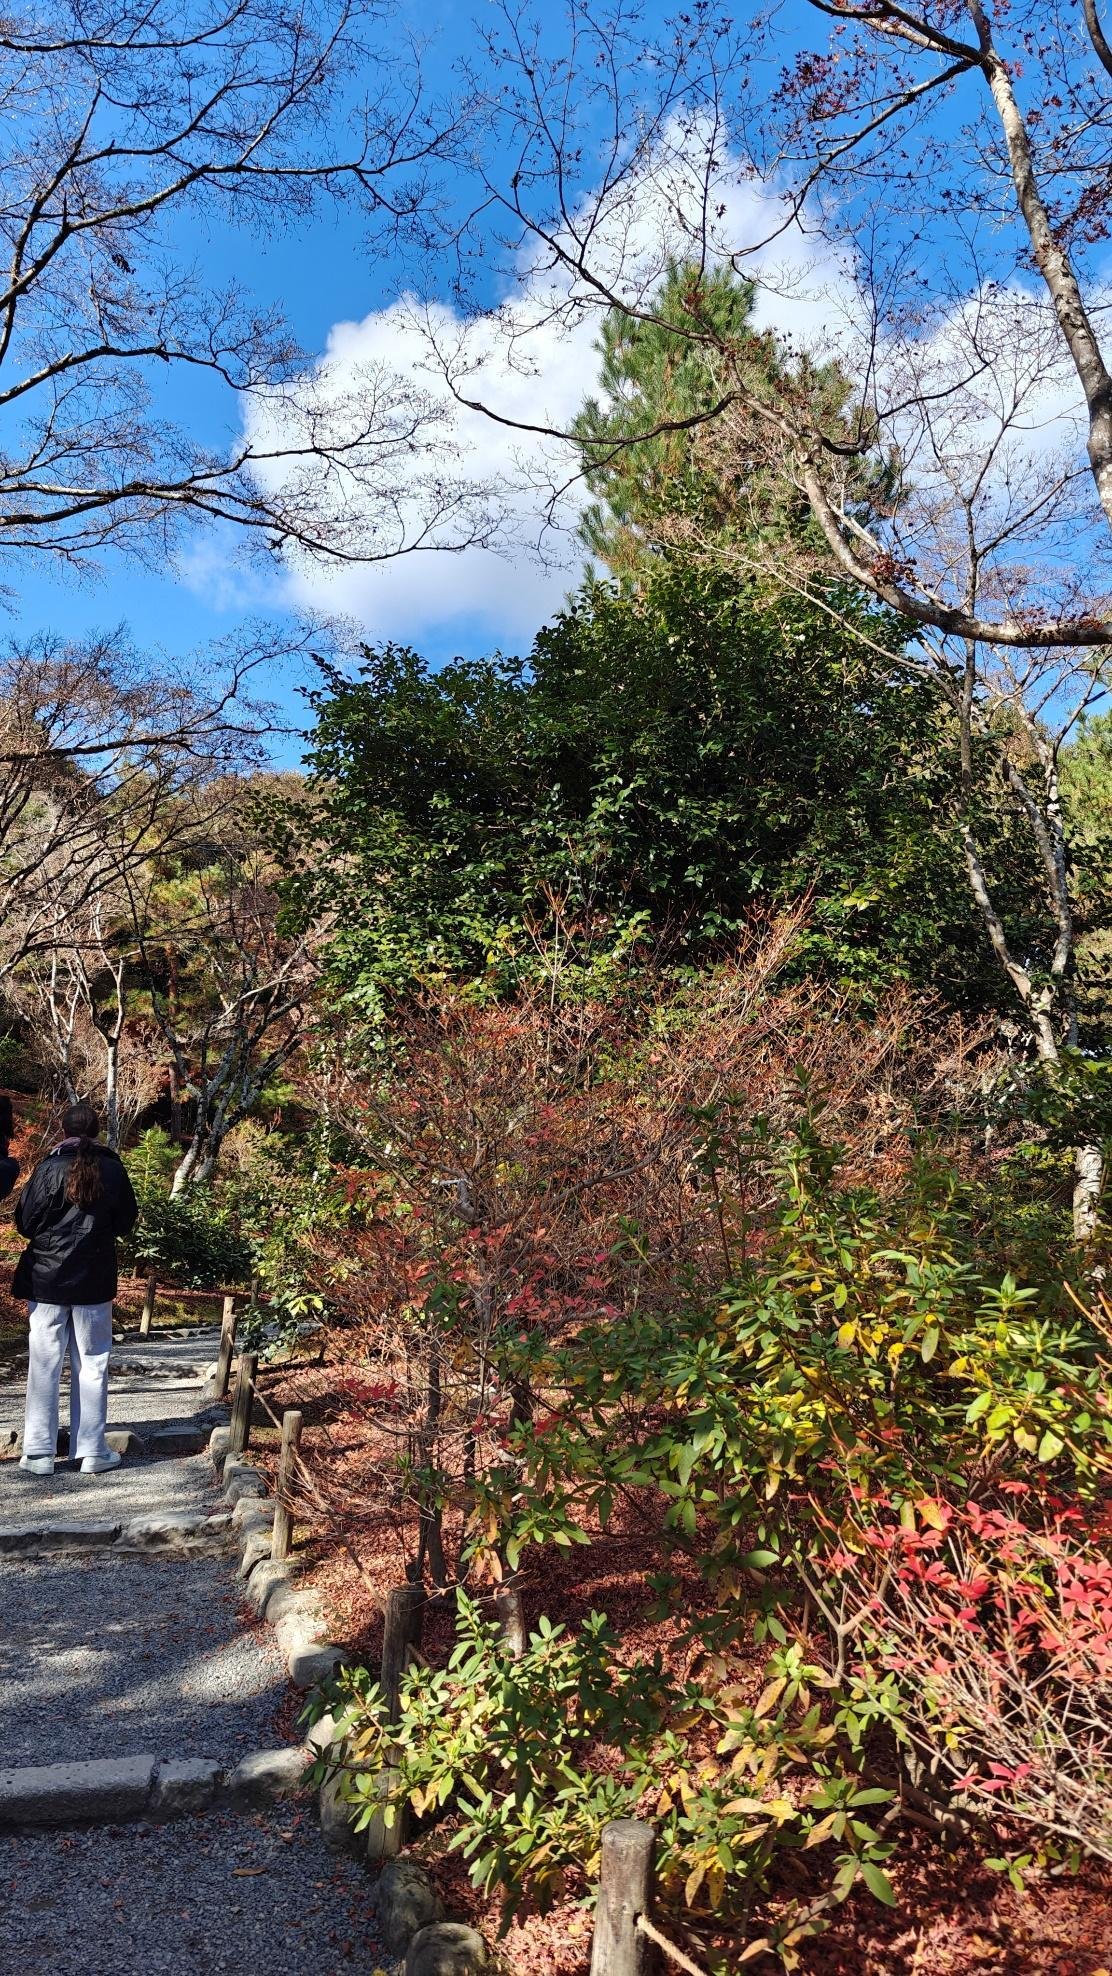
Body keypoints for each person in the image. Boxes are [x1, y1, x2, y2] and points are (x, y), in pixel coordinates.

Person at [15, 1100, 138, 1478]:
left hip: (47, 1279)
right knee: (93, 1363)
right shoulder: (113, 1170)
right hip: (94, 1279)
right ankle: (91, 1451)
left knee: (44, 1363)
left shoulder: (48, 1167)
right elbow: (125, 1222)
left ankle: (38, 1454)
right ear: (97, 1131)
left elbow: (25, 1222)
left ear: (64, 1130)